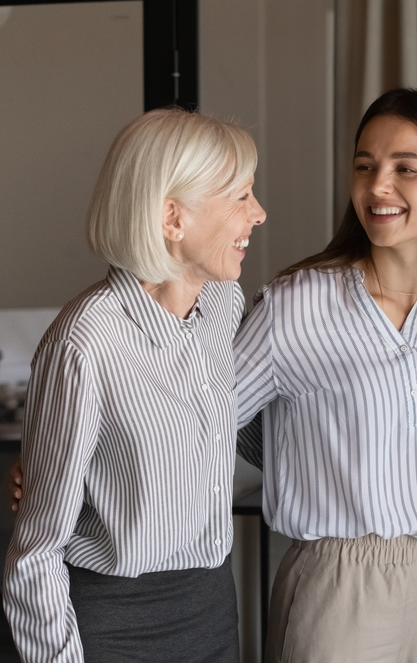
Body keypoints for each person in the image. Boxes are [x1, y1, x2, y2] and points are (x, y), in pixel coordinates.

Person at [232, 87, 417, 663]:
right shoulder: (294, 306)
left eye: (406, 168)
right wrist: (70, 470)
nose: (379, 186)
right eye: (365, 166)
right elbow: (200, 419)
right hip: (336, 587)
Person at [4, 108, 266, 662]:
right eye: (241, 196)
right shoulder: (83, 344)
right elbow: (36, 551)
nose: (258, 214)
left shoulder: (223, 306)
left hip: (212, 607)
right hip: (115, 625)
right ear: (173, 217)